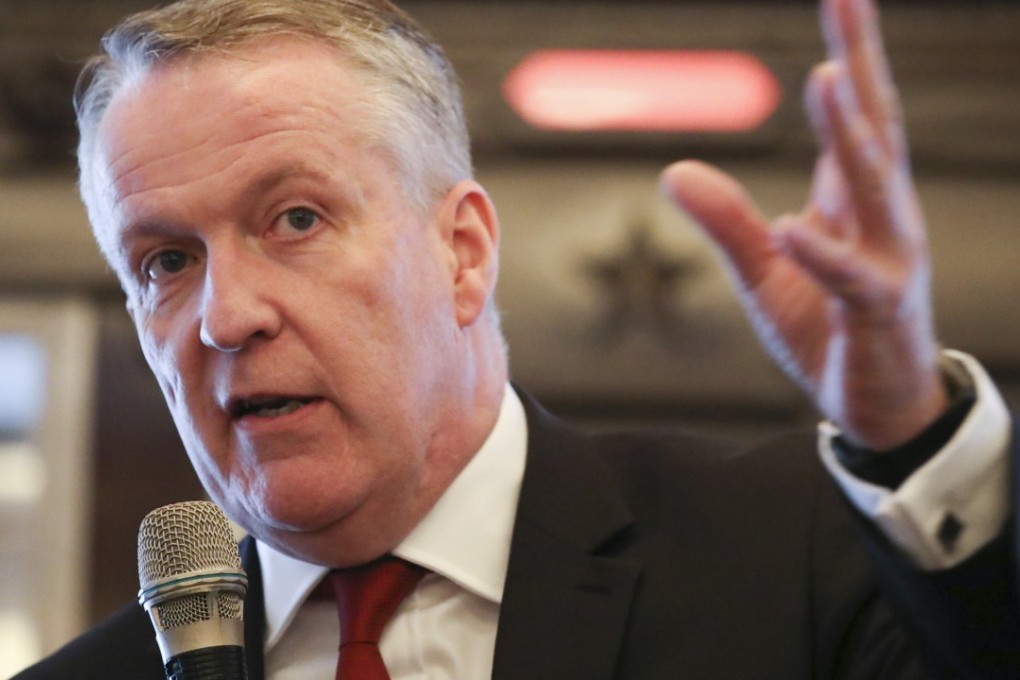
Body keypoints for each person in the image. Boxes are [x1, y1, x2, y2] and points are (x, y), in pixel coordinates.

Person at [14, 0, 1019, 678]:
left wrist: (908, 428)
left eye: (296, 219)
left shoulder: (796, 555)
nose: (227, 315)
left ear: (461, 253)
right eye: (165, 261)